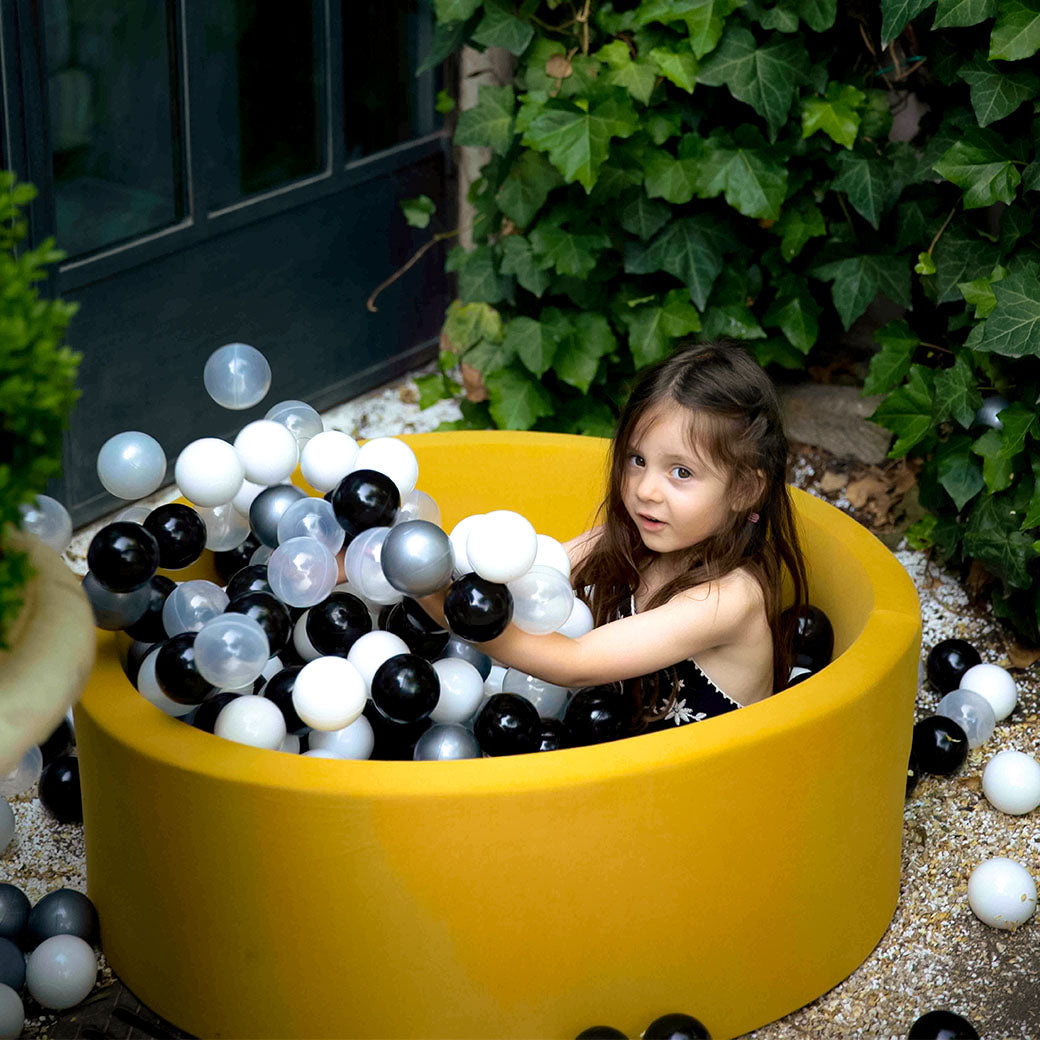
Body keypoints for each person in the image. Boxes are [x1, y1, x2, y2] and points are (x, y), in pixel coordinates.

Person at [420, 340, 808, 735]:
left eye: (681, 472)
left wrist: (443, 602)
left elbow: (575, 662)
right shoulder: (631, 539)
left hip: (708, 769)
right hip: (622, 752)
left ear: (744, 490)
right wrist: (428, 572)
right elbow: (531, 580)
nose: (645, 490)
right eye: (638, 460)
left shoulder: (728, 599)